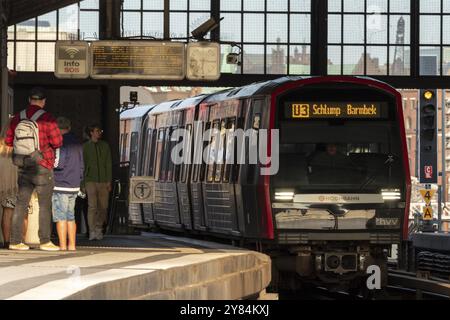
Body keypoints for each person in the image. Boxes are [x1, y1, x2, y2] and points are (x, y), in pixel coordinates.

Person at [5, 87, 63, 251]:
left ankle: (15, 241)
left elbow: (9, 141)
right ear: (43, 101)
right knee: (45, 205)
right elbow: (58, 142)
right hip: (42, 166)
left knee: (21, 203)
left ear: (29, 100)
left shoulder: (18, 117)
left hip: (23, 166)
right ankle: (44, 241)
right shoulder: (47, 118)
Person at [53, 117, 84, 251]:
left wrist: (49, 164)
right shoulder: (78, 143)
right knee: (71, 217)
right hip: (74, 185)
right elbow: (82, 165)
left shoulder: (60, 142)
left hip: (61, 184)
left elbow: (59, 163)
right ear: (69, 127)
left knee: (61, 216)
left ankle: (62, 245)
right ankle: (72, 245)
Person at [0, 125, 28, 247]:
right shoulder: (22, 147)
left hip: (6, 187)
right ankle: (21, 241)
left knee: (7, 213)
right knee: (23, 214)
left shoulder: (1, 149)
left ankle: (7, 242)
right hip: (22, 185)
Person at [82, 124, 112, 241]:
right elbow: (82, 165)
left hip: (103, 181)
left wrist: (109, 180)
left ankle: (99, 227)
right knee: (92, 206)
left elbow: (108, 163)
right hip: (90, 180)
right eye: (97, 131)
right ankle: (92, 231)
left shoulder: (105, 146)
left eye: (100, 130)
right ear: (91, 133)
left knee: (103, 207)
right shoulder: (85, 147)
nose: (99, 133)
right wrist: (82, 183)